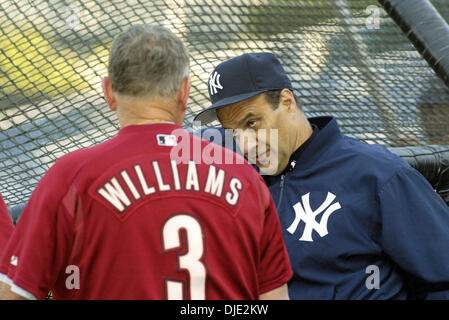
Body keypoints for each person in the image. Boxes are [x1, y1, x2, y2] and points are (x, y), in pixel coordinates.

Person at [0, 28, 292, 300]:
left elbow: (12, 295)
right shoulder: (244, 176)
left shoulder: (71, 176)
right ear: (184, 91)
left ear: (108, 92)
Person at [194, 52, 449, 299]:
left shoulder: (376, 174)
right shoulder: (240, 187)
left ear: (287, 102)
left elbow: (442, 277)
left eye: (252, 123)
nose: (246, 145)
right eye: (233, 132)